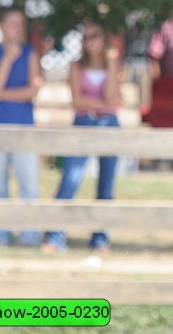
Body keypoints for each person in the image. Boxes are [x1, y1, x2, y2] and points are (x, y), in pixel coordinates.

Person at [42, 20, 123, 252]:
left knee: (106, 183)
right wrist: (102, 104)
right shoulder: (76, 66)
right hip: (83, 121)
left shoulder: (113, 64)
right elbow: (78, 101)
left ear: (104, 37)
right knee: (71, 178)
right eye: (86, 37)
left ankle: (100, 238)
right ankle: (55, 237)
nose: (90, 42)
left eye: (95, 35)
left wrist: (109, 63)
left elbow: (112, 96)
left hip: (109, 124)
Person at [0, 5, 43, 247]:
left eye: (21, 24)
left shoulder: (31, 54)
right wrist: (8, 58)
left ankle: (29, 234)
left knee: (28, 183)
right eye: (13, 23)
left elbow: (32, 90)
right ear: (2, 26)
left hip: (23, 127)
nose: (18, 28)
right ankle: (1, 234)